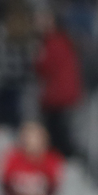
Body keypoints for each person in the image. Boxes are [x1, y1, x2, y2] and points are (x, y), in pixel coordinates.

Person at [34, 10, 83, 158]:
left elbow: (43, 67)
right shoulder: (63, 41)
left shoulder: (53, 42)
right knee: (60, 129)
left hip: (58, 95)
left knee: (57, 131)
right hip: (64, 94)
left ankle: (62, 157)